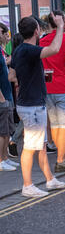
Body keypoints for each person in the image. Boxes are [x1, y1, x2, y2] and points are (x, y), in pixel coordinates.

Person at [11, 15, 65, 197]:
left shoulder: (20, 50)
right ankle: (27, 186)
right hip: (32, 106)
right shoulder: (29, 50)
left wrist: (31, 78)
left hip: (30, 103)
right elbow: (55, 48)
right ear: (36, 31)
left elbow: (12, 75)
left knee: (40, 146)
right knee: (29, 147)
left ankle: (50, 180)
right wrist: (59, 27)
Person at [39, 10, 65, 173]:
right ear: (62, 21)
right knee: (63, 125)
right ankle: (61, 160)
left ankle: (60, 156)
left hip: (47, 86)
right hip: (63, 85)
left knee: (55, 125)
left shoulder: (42, 40)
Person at [0, 23, 17, 171]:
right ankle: (1, 160)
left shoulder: (2, 50)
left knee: (6, 131)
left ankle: (5, 157)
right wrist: (2, 98)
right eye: (1, 32)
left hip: (7, 93)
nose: (4, 35)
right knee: (2, 131)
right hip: (2, 96)